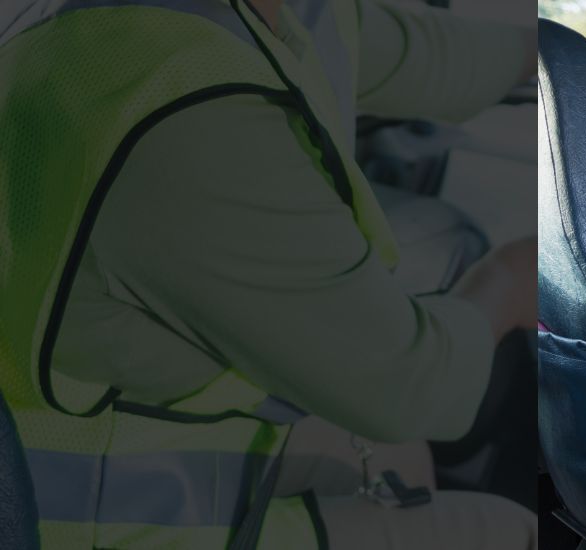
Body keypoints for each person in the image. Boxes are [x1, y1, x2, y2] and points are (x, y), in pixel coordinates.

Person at [0, 0, 537, 547]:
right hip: (96, 518)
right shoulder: (182, 110)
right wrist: (512, 279)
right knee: (515, 533)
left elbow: (420, 55)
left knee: (393, 455)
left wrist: (560, 57)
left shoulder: (255, 16)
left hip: (137, 423)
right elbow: (409, 388)